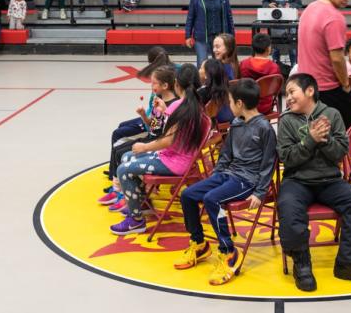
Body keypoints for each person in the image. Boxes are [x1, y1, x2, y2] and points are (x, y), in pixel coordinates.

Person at [277, 73, 351, 291]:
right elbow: (287, 158)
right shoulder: (286, 121)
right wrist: (309, 140)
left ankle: (349, 264)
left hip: (330, 180)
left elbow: (339, 152)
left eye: (292, 92)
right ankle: (302, 264)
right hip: (297, 180)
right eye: (286, 94)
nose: (289, 98)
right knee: (288, 206)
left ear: (310, 91)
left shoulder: (332, 114)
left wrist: (325, 140)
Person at [176, 78, 276, 285]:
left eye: (230, 101)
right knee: (188, 195)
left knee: (212, 199)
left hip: (247, 180)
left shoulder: (265, 128)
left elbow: (269, 162)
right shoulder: (236, 124)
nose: (228, 106)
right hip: (228, 174)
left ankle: (229, 251)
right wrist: (217, 175)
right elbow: (226, 155)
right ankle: (199, 243)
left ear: (239, 103)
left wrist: (260, 192)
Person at [110, 63, 210, 236]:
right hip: (184, 158)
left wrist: (144, 147)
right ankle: (140, 202)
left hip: (174, 161)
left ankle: (136, 220)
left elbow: (168, 140)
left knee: (124, 168)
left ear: (177, 84)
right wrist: (164, 112)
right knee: (127, 156)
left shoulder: (179, 107)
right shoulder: (196, 106)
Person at [100, 64, 178, 211]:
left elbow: (170, 132)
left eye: (154, 83)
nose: (151, 85)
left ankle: (128, 195)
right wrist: (143, 115)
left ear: (165, 85)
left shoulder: (173, 105)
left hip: (157, 143)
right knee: (118, 150)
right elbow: (154, 126)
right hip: (151, 137)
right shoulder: (158, 99)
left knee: (123, 153)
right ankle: (120, 191)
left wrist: (164, 110)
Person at [297, 0, 351, 129]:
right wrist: (346, 85)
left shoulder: (310, 8)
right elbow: (337, 58)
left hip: (305, 84)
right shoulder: (334, 17)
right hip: (327, 88)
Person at [185, 0, 235, 66]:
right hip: (201, 37)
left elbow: (229, 16)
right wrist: (187, 36)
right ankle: (202, 81)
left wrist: (232, 35)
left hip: (220, 36)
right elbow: (190, 17)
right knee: (202, 64)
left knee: (220, 64)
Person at [262, 0, 303, 65]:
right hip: (275, 23)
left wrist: (291, 6)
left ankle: (294, 68)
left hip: (290, 22)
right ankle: (276, 67)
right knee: (275, 48)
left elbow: (299, 3)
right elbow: (264, 2)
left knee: (292, 48)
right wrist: (268, 5)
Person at [239, 32, 282, 115]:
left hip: (247, 106)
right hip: (265, 107)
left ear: (253, 48)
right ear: (268, 49)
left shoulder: (244, 64)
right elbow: (277, 89)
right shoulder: (274, 67)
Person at [198, 59, 235, 126]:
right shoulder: (229, 88)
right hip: (231, 123)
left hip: (211, 127)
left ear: (206, 75)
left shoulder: (202, 93)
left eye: (200, 68)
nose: (199, 70)